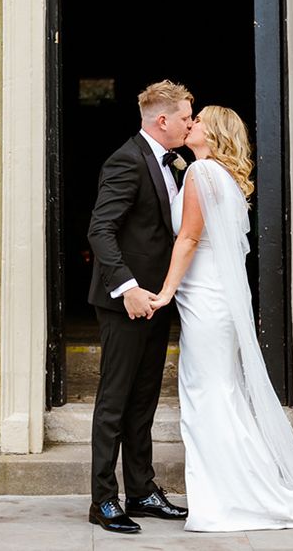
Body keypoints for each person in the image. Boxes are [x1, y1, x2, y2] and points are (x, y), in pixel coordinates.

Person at [150, 106, 293, 532]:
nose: (191, 123)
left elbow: (189, 237)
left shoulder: (202, 174)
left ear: (215, 134)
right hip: (217, 299)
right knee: (221, 393)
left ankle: (229, 499)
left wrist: (167, 291)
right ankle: (237, 490)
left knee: (207, 396)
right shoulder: (222, 178)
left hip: (205, 299)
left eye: (199, 120)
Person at [86, 80, 192, 534]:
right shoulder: (126, 159)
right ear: (162, 120)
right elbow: (100, 229)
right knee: (114, 401)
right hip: (126, 303)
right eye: (187, 116)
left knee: (144, 400)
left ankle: (143, 491)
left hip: (157, 300)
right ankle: (103, 501)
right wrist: (128, 288)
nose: (191, 123)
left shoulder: (171, 161)